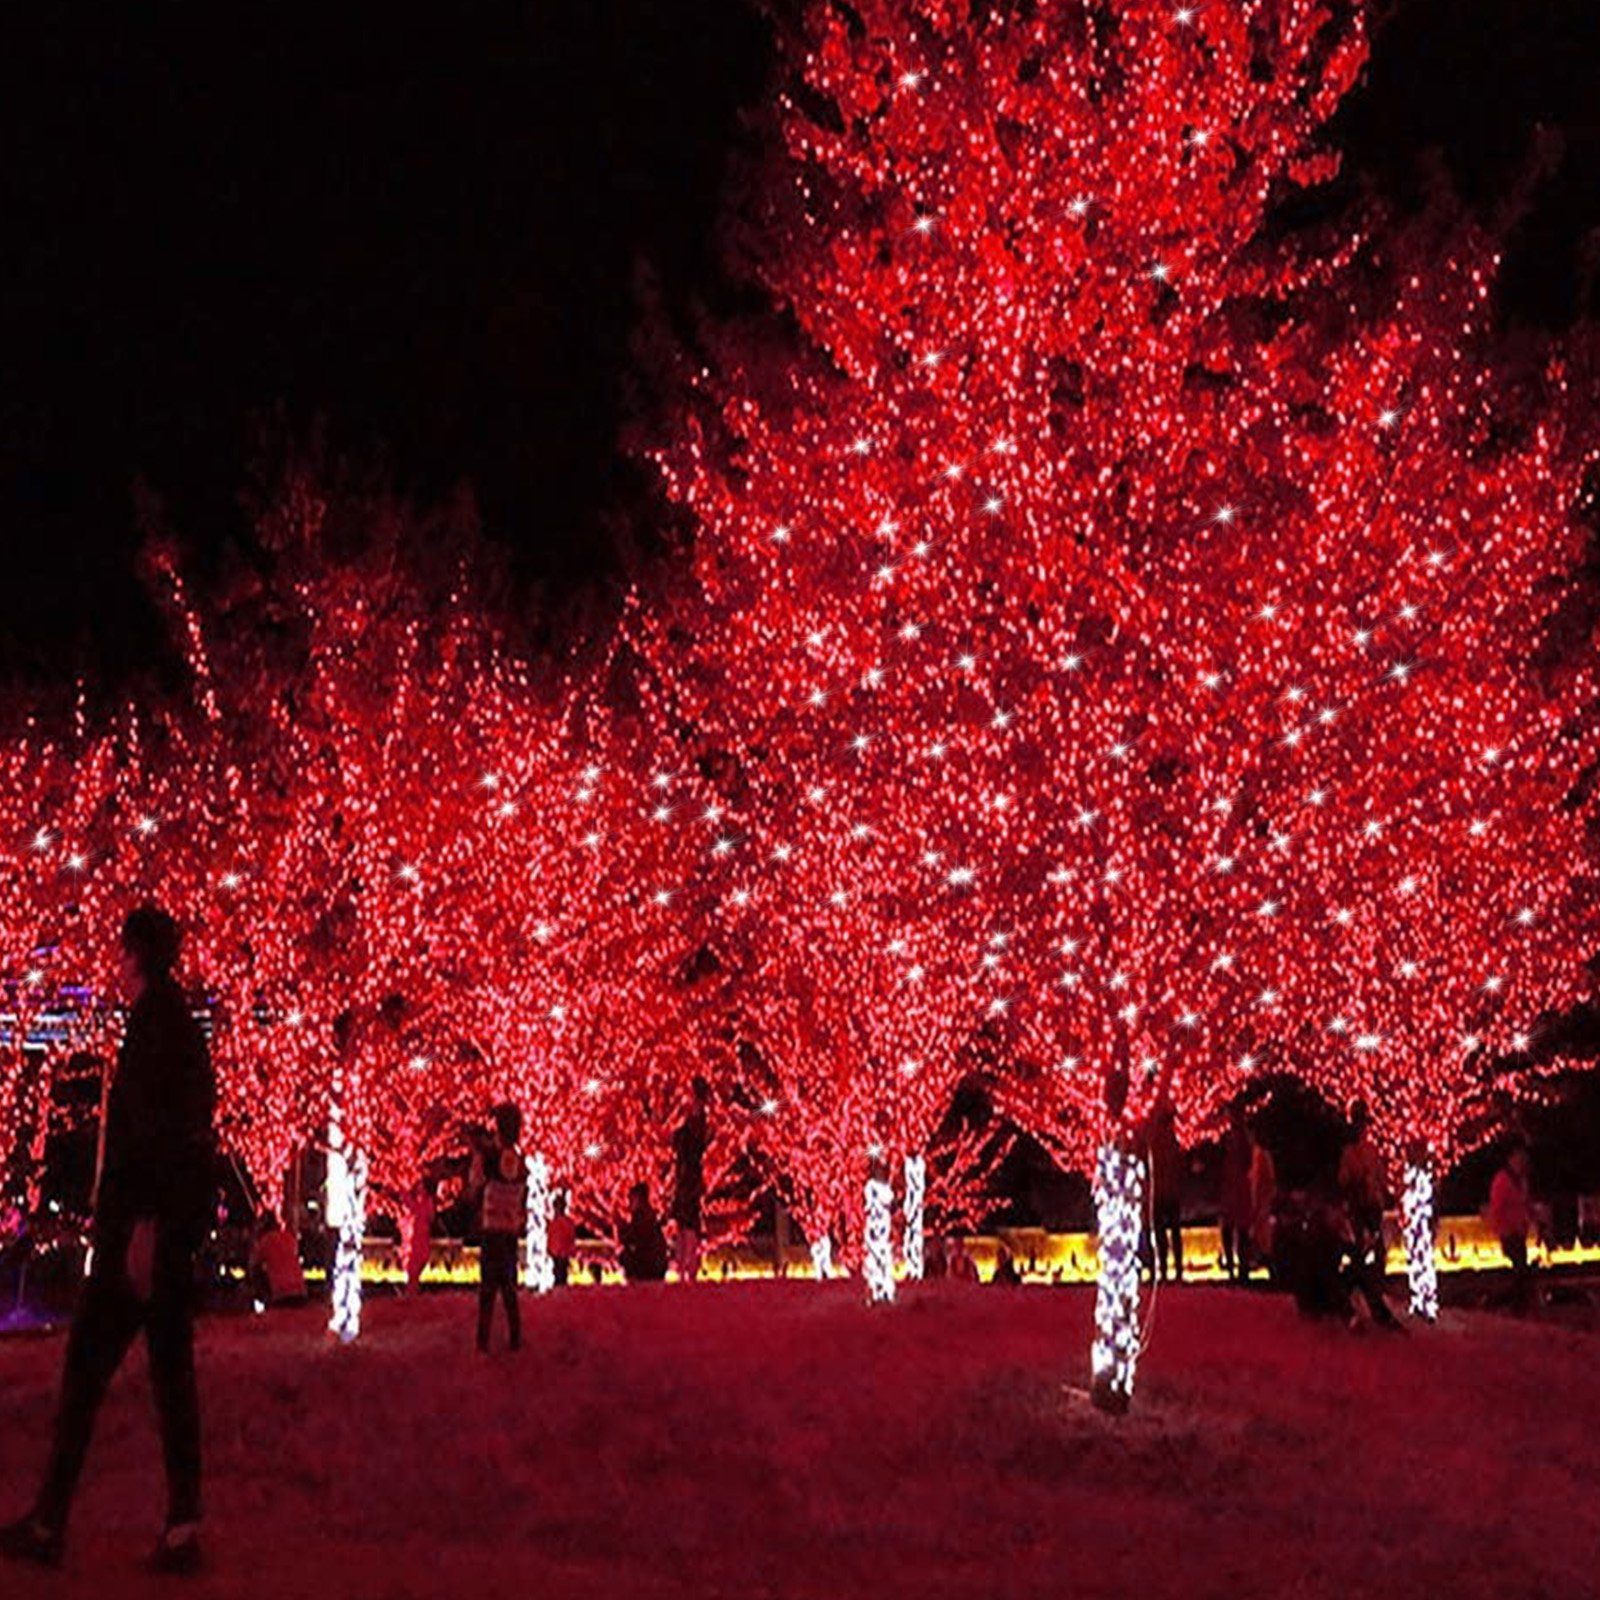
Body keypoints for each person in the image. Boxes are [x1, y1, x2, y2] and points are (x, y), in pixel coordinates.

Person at [3, 906, 215, 1574]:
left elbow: (153, 1135)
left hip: (140, 1236)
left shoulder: (156, 1027)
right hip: (165, 1233)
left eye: (121, 953)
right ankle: (181, 1525)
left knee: (86, 1373)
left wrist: (143, 1228)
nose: (114, 966)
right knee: (171, 1376)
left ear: (136, 956)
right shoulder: (176, 1025)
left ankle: (50, 1522)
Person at [469, 1103, 526, 1353]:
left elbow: (475, 1182)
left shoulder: (489, 1158)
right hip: (511, 1230)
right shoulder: (521, 1162)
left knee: (488, 1290)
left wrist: (479, 1155)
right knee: (509, 1287)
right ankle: (515, 1338)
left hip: (492, 1229)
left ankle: (483, 1342)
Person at [670, 1077, 711, 1282]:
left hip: (688, 1177)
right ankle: (686, 1266)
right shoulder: (695, 1124)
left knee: (687, 1223)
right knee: (686, 1224)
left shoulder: (695, 1125)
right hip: (687, 1177)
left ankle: (687, 1267)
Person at [1489, 1138, 1536, 1312]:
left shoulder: (1522, 1181)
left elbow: (1526, 1204)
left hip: (1519, 1232)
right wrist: (1503, 1229)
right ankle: (1515, 1304)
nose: (1523, 1163)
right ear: (1512, 1159)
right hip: (1509, 1233)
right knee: (1520, 1269)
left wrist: (1533, 1219)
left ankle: (1517, 1304)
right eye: (1520, 1159)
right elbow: (1497, 1208)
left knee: (1521, 1270)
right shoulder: (1502, 1180)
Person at [1143, 1095, 1185, 1282]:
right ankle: (1176, 1269)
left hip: (1160, 1192)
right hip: (1170, 1191)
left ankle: (1164, 1270)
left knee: (1160, 1234)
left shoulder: (1155, 1141)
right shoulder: (1172, 1141)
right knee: (1172, 1232)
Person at [1219, 1104, 1255, 1283]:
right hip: (1233, 1188)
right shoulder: (1230, 1138)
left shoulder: (1241, 1138)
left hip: (1237, 1188)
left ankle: (1241, 1266)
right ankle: (1235, 1266)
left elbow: (1247, 1161)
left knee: (1239, 1230)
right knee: (1232, 1229)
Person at [249, 1210, 306, 1309]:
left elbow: (253, 1265)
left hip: (281, 1294)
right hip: (300, 1291)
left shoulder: (265, 1241)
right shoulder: (289, 1238)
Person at [619, 1181, 669, 1282]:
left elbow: (634, 1238)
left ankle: (635, 1278)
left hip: (648, 1266)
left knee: (625, 1255)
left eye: (631, 1199)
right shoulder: (649, 1215)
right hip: (655, 1264)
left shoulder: (642, 1216)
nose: (629, 1202)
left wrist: (623, 1232)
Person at [403, 1176, 435, 1295]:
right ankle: (412, 1289)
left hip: (423, 1233)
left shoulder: (427, 1202)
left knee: (421, 1258)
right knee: (413, 1263)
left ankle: (413, 1288)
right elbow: (408, 1203)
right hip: (415, 1233)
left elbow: (431, 1217)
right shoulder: (415, 1203)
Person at [547, 1190, 577, 1287]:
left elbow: (569, 1236)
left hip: (561, 1251)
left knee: (560, 1271)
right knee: (558, 1271)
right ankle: (560, 1286)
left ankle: (560, 1286)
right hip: (558, 1251)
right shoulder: (557, 1222)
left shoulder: (563, 1222)